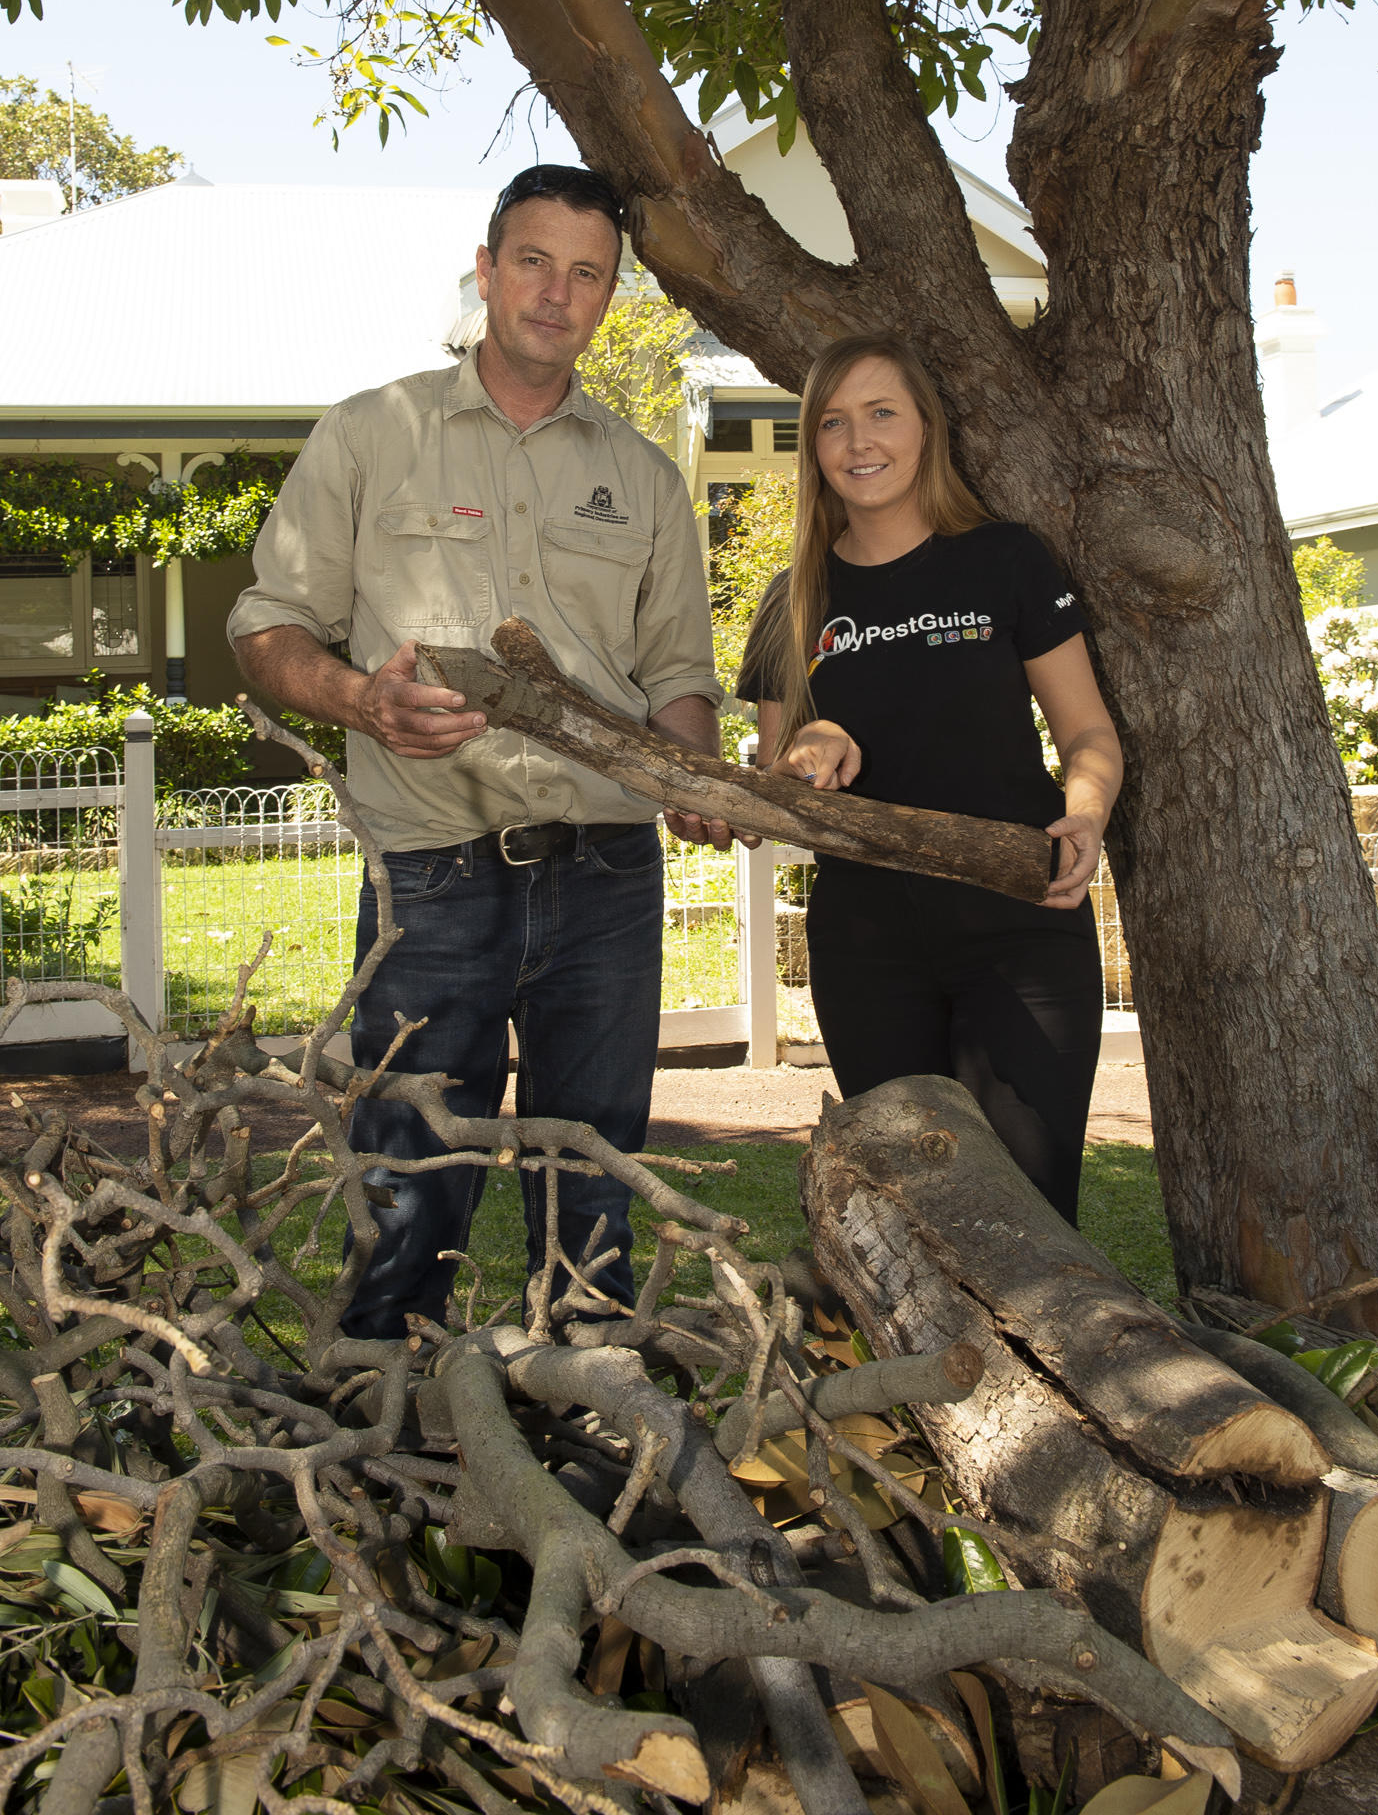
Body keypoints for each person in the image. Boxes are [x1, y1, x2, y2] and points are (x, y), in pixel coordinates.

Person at [228, 164, 724, 1337]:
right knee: (403, 1188)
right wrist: (359, 698)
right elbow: (265, 623)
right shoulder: (371, 435)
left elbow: (677, 682)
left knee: (593, 1196)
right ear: (490, 269)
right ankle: (381, 1451)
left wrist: (694, 777)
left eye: (587, 273)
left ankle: (592, 1442)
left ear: (610, 297)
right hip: (430, 870)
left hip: (607, 874)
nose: (557, 292)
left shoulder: (645, 480)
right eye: (535, 262)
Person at [736, 333, 1122, 1224]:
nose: (858, 442)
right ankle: (922, 1370)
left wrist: (1088, 811)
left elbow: (1088, 729)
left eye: (881, 414)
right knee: (913, 1211)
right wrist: (813, 743)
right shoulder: (792, 596)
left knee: (1031, 1206)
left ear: (925, 428)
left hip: (1022, 929)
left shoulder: (1005, 559)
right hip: (868, 946)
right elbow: (777, 782)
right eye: (833, 422)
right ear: (813, 446)